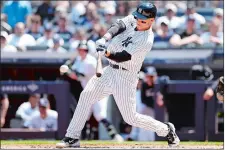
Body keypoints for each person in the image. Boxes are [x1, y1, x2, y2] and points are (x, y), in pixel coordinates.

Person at [56, 2, 180, 148]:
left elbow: (123, 56)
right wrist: (105, 38)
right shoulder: (134, 18)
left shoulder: (146, 40)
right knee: (86, 96)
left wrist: (106, 52)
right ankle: (72, 137)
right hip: (109, 71)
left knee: (131, 118)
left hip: (126, 77)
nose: (138, 21)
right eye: (137, 17)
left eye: (142, 20)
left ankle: (166, 130)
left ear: (152, 20)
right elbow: (119, 25)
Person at [59, 40, 124, 142]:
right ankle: (82, 138)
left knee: (100, 115)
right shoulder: (79, 60)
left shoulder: (91, 61)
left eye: (84, 50)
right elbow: (73, 69)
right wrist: (68, 67)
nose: (82, 52)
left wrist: (68, 70)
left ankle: (115, 136)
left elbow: (79, 76)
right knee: (83, 116)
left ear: (87, 51)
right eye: (80, 50)